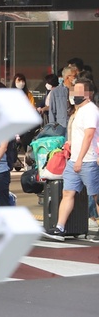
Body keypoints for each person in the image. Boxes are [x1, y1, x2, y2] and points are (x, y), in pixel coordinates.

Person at [43, 78, 99, 242]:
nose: (75, 95)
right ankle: (60, 228)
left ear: (89, 94)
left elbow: (89, 136)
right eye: (75, 91)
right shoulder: (79, 111)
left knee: (96, 196)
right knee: (67, 193)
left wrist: (80, 159)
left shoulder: (91, 110)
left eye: (80, 91)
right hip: (74, 159)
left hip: (88, 160)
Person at [49, 66, 77, 131]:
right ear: (68, 77)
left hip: (74, 125)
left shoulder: (77, 90)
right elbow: (52, 110)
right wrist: (52, 127)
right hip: (61, 125)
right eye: (74, 76)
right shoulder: (55, 91)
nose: (76, 78)